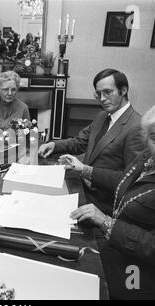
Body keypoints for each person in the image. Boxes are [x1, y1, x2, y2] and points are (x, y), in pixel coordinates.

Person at [70, 99, 155, 299]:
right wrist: (84, 169)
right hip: (126, 247)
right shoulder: (152, 155)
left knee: (81, 280)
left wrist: (105, 221)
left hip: (153, 277)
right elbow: (124, 179)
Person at [38, 68, 144, 214]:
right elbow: (80, 142)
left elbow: (129, 179)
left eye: (107, 92)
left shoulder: (137, 126)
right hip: (82, 186)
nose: (102, 99)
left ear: (123, 90)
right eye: (98, 94)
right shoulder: (103, 116)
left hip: (102, 202)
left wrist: (85, 170)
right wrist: (54, 144)